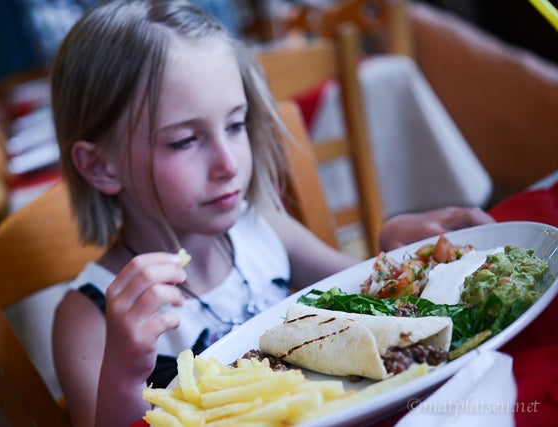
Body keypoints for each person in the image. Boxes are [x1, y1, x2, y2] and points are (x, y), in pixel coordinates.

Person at [49, 1, 495, 426]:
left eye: (236, 125)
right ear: (101, 167)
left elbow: (365, 296)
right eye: (184, 141)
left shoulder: (260, 227)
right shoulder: (88, 317)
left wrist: (393, 257)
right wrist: (124, 375)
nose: (228, 164)